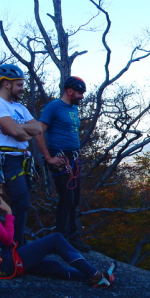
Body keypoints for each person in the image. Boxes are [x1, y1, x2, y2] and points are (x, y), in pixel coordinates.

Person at [0, 64, 41, 246]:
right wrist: (20, 131)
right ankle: (16, 245)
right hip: (5, 159)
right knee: (20, 201)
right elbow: (16, 133)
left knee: (22, 203)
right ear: (6, 84)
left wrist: (19, 128)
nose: (23, 89)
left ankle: (16, 241)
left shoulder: (19, 107)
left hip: (21, 159)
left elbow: (37, 129)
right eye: (19, 85)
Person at [36, 76, 90, 252]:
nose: (82, 96)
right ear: (69, 91)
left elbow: (69, 132)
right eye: (80, 93)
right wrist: (48, 158)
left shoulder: (73, 109)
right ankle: (61, 240)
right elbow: (38, 132)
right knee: (66, 199)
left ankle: (73, 237)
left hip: (73, 158)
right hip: (59, 158)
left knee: (74, 199)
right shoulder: (53, 107)